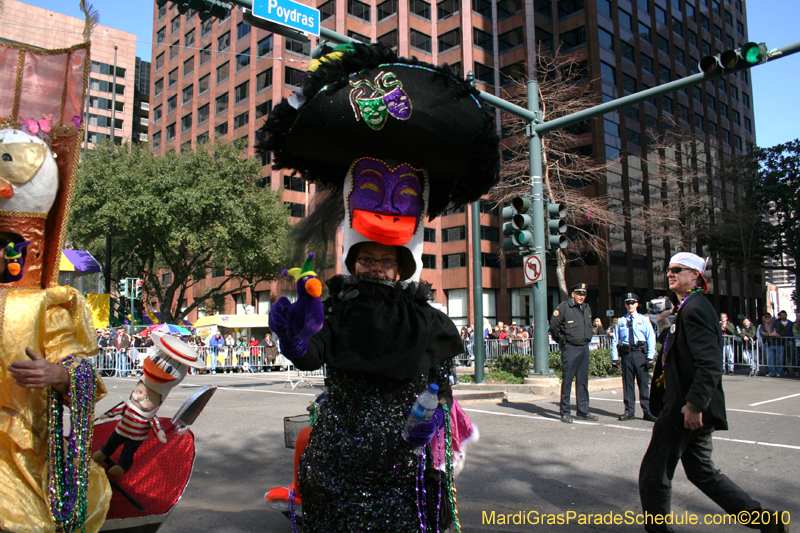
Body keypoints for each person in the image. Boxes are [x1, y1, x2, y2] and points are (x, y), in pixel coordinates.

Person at [261, 42, 495, 532]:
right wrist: (297, 334)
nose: (376, 268)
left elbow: (441, 383)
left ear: (402, 264)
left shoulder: (428, 320)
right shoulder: (336, 309)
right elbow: (310, 353)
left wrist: (434, 425)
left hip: (404, 467)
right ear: (353, 257)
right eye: (367, 259)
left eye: (386, 262)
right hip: (339, 459)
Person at [640, 252, 788, 533]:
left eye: (677, 269)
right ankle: (767, 521)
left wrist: (694, 405)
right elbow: (678, 350)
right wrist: (663, 323)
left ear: (695, 275)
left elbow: (709, 362)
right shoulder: (688, 306)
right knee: (702, 473)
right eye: (668, 269)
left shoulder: (695, 308)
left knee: (654, 473)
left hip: (685, 407)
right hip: (688, 406)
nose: (670, 274)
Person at [549, 283, 598, 424]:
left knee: (583, 381)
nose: (582, 297)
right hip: (570, 348)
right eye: (579, 293)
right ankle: (565, 412)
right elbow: (554, 326)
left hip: (584, 347)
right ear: (573, 294)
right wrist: (562, 340)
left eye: (584, 294)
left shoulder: (586, 308)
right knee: (568, 381)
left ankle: (583, 411)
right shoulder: (564, 308)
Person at [610, 293, 657, 422]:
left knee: (643, 384)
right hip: (626, 354)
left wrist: (650, 357)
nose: (630, 305)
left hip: (640, 354)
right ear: (625, 305)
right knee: (628, 384)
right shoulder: (621, 321)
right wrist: (614, 357)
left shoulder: (644, 319)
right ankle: (629, 411)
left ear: (637, 304)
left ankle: (648, 411)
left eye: (632, 302)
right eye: (627, 303)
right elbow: (615, 340)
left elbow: (651, 338)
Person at [773, 311, 793, 376]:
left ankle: (794, 369)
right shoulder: (777, 323)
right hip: (780, 341)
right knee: (782, 356)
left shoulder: (790, 323)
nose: (783, 316)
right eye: (781, 315)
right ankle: (785, 369)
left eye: (784, 315)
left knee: (791, 356)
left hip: (789, 340)